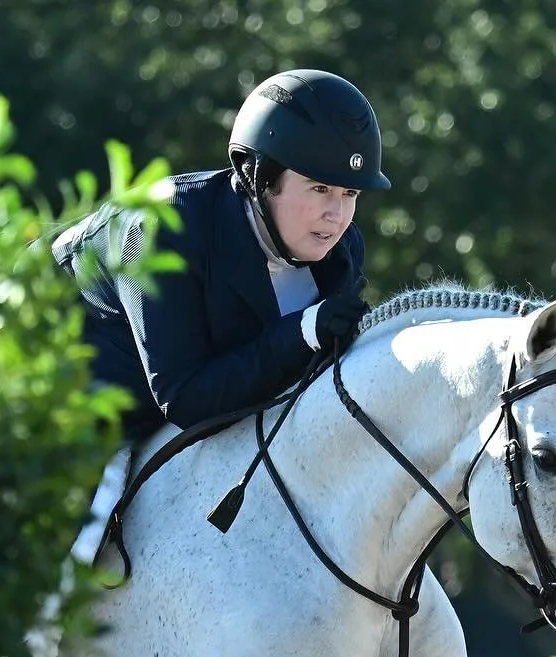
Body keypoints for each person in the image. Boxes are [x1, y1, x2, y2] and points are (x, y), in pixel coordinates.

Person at [53, 67, 392, 560]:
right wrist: (302, 332)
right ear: (258, 177)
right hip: (46, 394)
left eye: (350, 194)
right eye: (320, 189)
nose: (336, 215)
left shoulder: (339, 252)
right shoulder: (161, 227)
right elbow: (185, 397)